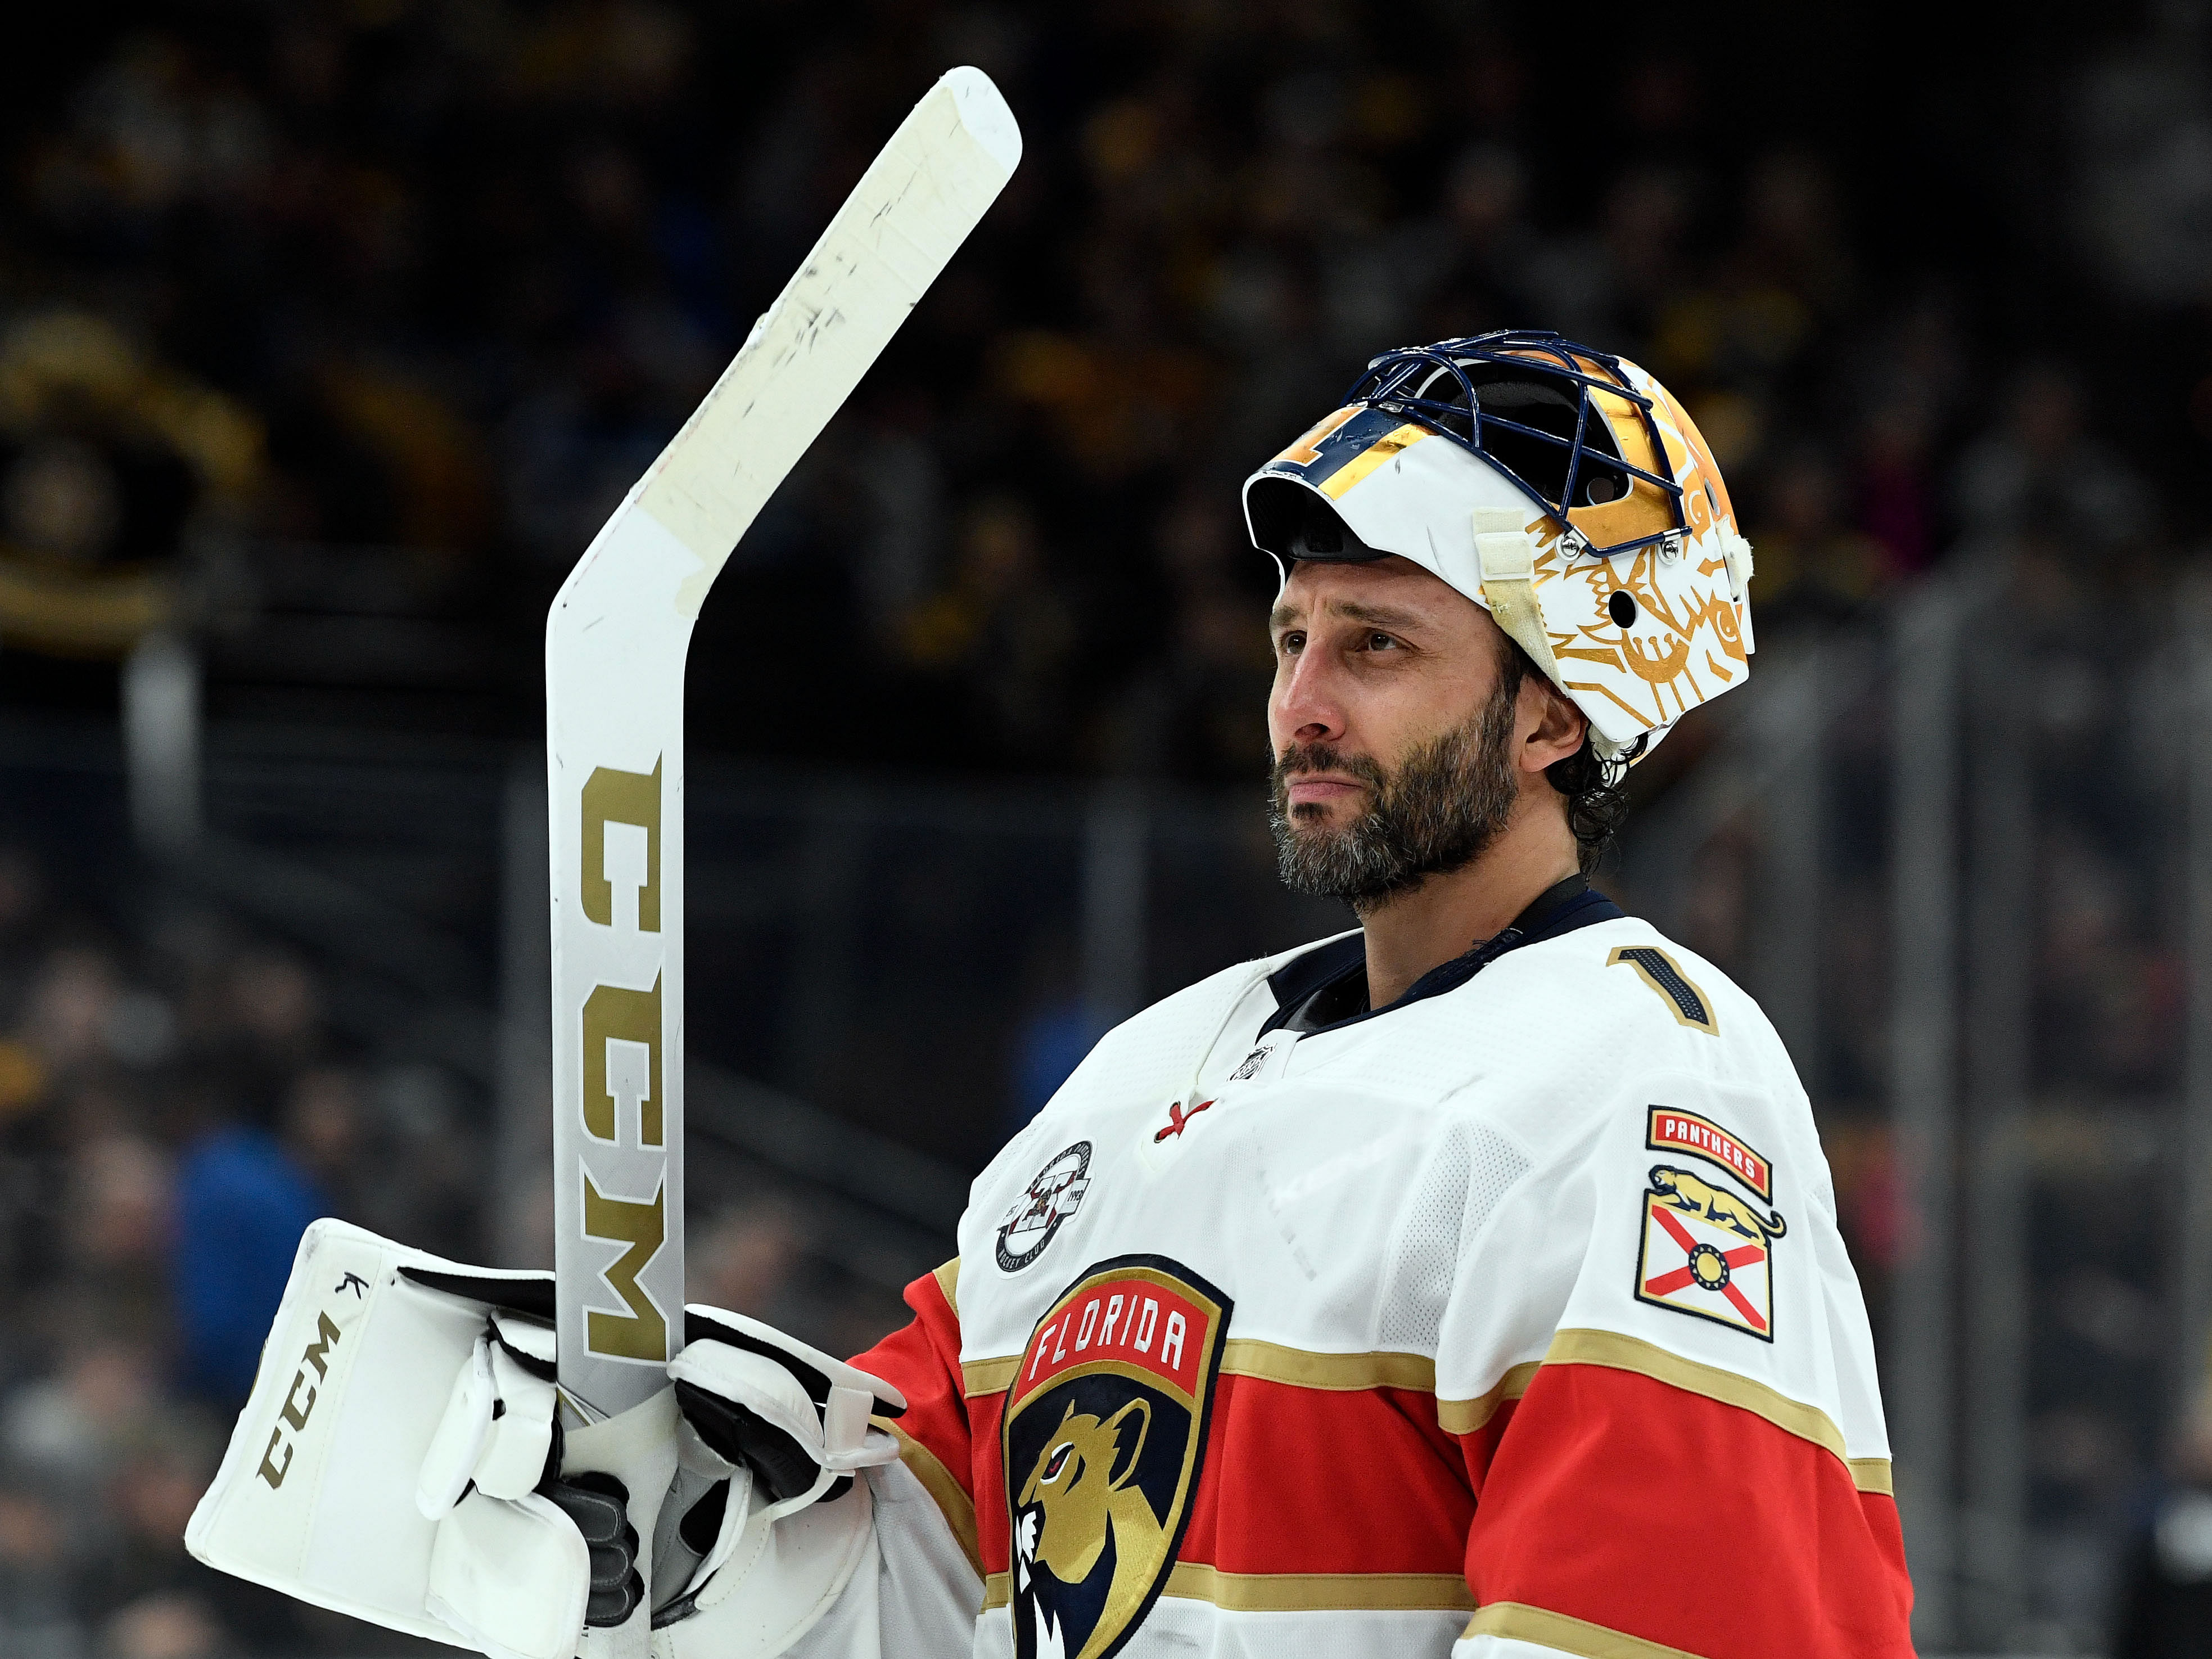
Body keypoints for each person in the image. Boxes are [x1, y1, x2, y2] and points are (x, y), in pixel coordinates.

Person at [187, 334, 1911, 1659]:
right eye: (1291, 640)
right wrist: (674, 1525)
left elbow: (1684, 1618)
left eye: (1378, 646)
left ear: (1558, 715)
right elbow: (923, 1578)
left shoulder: (1633, 1086)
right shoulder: (1162, 1069)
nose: (1302, 700)